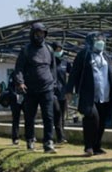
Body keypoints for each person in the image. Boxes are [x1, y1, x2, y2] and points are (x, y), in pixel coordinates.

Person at [66, 32, 112, 157]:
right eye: (97, 39)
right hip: (88, 94)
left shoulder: (106, 56)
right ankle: (88, 146)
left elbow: (110, 75)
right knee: (92, 118)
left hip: (105, 94)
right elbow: (74, 73)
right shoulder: (83, 55)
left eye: (102, 39)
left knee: (102, 121)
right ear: (90, 41)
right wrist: (69, 90)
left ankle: (97, 146)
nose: (101, 42)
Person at [14, 23, 57, 153]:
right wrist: (20, 82)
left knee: (48, 116)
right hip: (30, 89)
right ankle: (30, 140)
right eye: (37, 33)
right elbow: (19, 68)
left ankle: (48, 142)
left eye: (42, 33)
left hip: (47, 88)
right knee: (29, 117)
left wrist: (53, 83)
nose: (40, 35)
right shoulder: (26, 50)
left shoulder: (49, 49)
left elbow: (53, 68)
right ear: (32, 34)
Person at [51, 42, 71, 144]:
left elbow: (72, 74)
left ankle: (61, 137)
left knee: (62, 115)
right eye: (57, 50)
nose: (59, 52)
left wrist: (70, 90)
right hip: (53, 92)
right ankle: (60, 136)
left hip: (63, 92)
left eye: (60, 50)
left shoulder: (65, 62)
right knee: (57, 113)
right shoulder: (50, 61)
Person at [7, 69, 26, 145]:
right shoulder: (14, 73)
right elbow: (10, 86)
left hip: (26, 98)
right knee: (15, 119)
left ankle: (29, 136)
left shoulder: (28, 72)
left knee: (29, 118)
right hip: (15, 100)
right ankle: (15, 138)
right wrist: (15, 95)